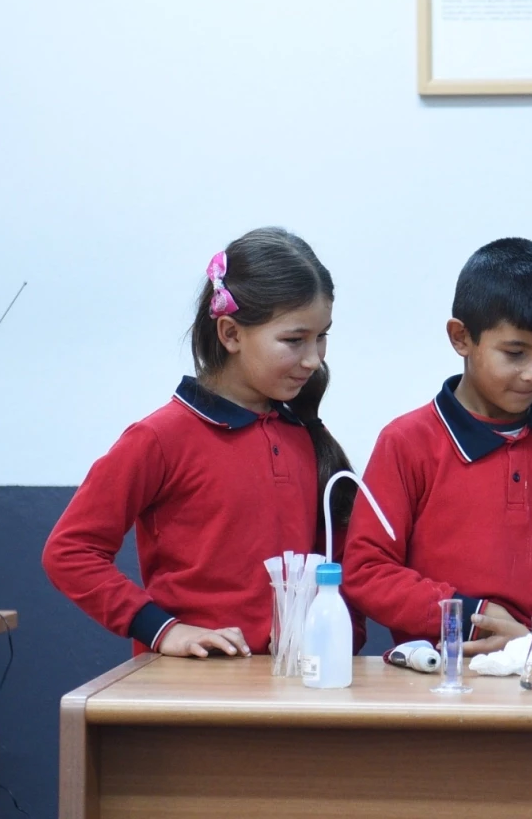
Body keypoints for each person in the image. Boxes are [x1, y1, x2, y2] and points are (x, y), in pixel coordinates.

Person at [42, 228, 360, 658]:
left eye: (322, 337)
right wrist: (163, 630)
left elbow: (336, 567)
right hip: (186, 687)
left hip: (287, 685)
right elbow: (69, 551)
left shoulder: (305, 435)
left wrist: (333, 635)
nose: (313, 358)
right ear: (230, 333)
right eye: (294, 340)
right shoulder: (159, 438)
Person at [343, 238, 532, 659]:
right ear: (461, 338)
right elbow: (367, 570)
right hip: (439, 675)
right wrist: (471, 616)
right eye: (515, 353)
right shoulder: (405, 443)